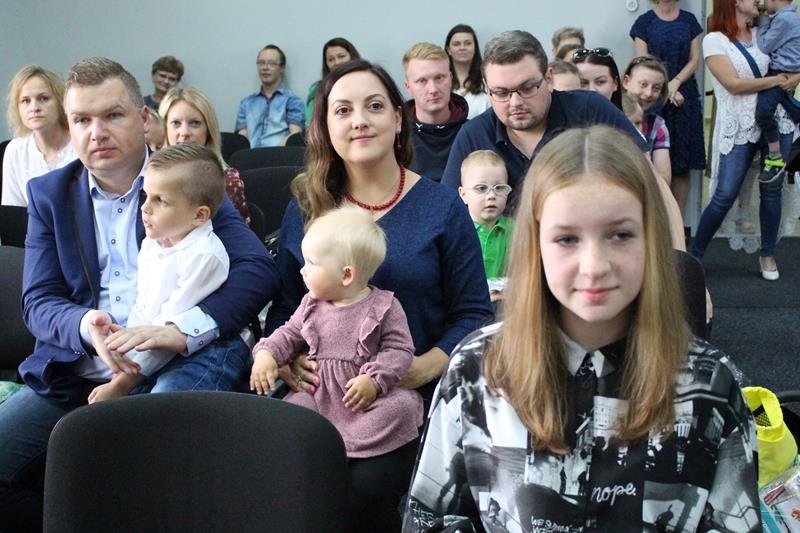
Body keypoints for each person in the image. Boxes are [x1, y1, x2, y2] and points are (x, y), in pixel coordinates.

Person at [402, 126, 759, 533]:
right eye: (567, 239)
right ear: (536, 245)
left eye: (620, 235)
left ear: (651, 239)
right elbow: (429, 519)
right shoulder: (477, 371)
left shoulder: (710, 383)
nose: (594, 267)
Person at [0, 57, 278, 532]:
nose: (96, 132)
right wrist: (86, 326)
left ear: (144, 118)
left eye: (112, 115)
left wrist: (180, 331)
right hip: (78, 369)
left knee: (143, 459)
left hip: (177, 362)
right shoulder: (49, 194)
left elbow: (257, 269)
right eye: (81, 120)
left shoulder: (181, 180)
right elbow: (38, 301)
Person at [265, 59, 493, 532]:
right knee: (289, 483)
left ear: (398, 118)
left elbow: (474, 313)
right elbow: (284, 309)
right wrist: (287, 362)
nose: (359, 121)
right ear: (325, 128)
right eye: (342, 110)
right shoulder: (306, 209)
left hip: (409, 394)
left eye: (373, 106)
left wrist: (426, 366)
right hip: (321, 393)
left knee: (363, 492)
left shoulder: (441, 207)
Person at [251, 206, 423, 461]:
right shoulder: (310, 305)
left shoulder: (384, 307)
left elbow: (399, 350)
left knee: (402, 407)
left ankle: (342, 445)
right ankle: (324, 442)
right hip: (317, 397)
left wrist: (374, 380)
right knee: (291, 413)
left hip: (363, 402)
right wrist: (267, 354)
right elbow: (288, 334)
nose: (302, 270)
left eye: (311, 263)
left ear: (346, 275)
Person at [87, 144, 230, 403]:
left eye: (160, 201)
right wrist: (123, 351)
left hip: (208, 351)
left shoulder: (203, 256)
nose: (145, 208)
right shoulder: (154, 242)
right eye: (145, 195)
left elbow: (166, 332)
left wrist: (122, 383)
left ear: (199, 215)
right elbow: (144, 308)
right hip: (159, 351)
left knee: (160, 402)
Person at [440, 30, 648, 206]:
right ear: (487, 88)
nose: (515, 102)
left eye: (527, 88)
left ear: (548, 79)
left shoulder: (590, 111)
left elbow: (648, 180)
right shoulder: (474, 136)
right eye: (501, 93)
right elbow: (447, 213)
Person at [692, 0, 800, 281]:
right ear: (735, 2)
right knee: (725, 194)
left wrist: (795, 76)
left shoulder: (764, 30)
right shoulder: (715, 40)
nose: (759, 1)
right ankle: (695, 256)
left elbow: (792, 55)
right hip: (739, 125)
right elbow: (733, 85)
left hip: (776, 121)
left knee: (772, 191)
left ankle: (767, 255)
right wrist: (777, 81)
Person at [631, 0, 706, 212]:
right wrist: (665, 87)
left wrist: (676, 83)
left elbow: (694, 60)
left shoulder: (689, 20)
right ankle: (655, 220)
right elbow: (642, 62)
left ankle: (677, 222)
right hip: (652, 95)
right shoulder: (644, 22)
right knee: (651, 159)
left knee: (682, 165)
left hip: (684, 96)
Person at [160, 86, 251, 223]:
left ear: (208, 130)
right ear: (165, 128)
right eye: (176, 123)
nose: (184, 132)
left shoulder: (227, 181)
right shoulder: (148, 177)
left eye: (195, 123)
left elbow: (237, 235)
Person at [2, 65, 76, 206]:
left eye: (43, 98)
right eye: (25, 101)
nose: (34, 108)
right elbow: (13, 211)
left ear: (60, 102)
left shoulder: (81, 142)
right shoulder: (15, 151)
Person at [403, 42, 469, 181]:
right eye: (422, 81)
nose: (433, 89)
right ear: (408, 87)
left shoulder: (473, 133)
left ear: (451, 79)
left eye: (439, 78)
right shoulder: (396, 137)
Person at [458, 150, 514, 301]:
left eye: (499, 188)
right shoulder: (456, 233)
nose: (491, 196)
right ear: (463, 194)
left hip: (508, 303)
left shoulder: (518, 231)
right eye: (481, 188)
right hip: (469, 305)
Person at [754, 0, 800, 183]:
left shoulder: (784, 20)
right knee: (785, 104)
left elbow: (765, 45)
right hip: (785, 71)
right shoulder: (790, 17)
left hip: (780, 72)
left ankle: (775, 156)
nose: (763, 3)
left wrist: (763, 22)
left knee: (763, 111)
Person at [236, 44, 304, 147]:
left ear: (282, 67)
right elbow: (242, 138)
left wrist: (272, 153)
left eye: (271, 63)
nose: (265, 68)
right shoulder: (246, 103)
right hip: (249, 155)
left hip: (280, 154)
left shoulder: (293, 101)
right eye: (261, 63)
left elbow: (294, 136)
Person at [623, 56, 672, 183]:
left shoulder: (657, 126)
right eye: (643, 84)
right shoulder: (605, 116)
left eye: (656, 88)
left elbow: (664, 180)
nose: (649, 93)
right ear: (626, 82)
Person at [306, 37, 361, 125]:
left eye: (341, 56)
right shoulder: (317, 89)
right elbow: (311, 123)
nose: (337, 62)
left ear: (352, 56)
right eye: (331, 59)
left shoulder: (368, 83)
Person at [444, 24, 490, 119]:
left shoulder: (488, 81)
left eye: (468, 43)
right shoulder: (441, 83)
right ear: (448, 50)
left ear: (475, 48)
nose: (462, 48)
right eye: (456, 44)